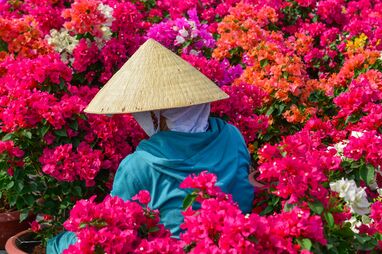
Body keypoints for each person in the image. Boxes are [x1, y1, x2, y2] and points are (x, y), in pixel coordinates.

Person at [46, 39, 254, 253]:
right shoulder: (232, 136)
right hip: (237, 242)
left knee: (59, 244)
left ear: (158, 116)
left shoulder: (139, 165)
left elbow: (114, 226)